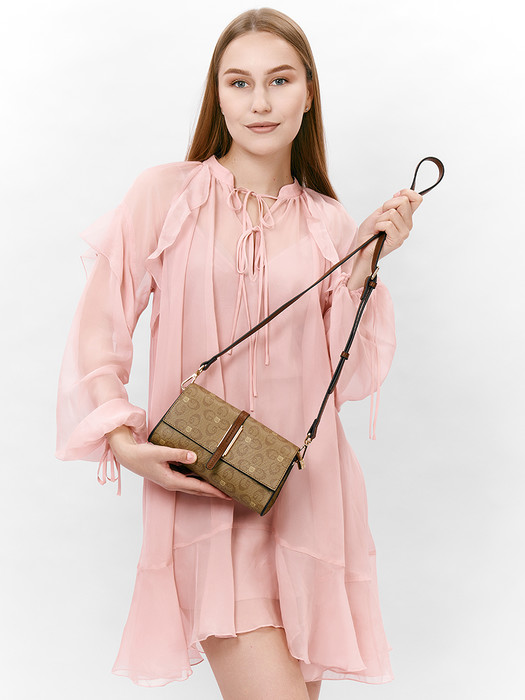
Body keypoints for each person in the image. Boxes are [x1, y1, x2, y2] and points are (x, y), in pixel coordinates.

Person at [56, 7, 422, 699]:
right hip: (207, 497)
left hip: (307, 497)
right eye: (239, 82)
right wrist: (124, 440)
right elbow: (98, 331)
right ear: (217, 95)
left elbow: (348, 377)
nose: (259, 102)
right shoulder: (165, 196)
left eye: (279, 80)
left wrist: (361, 264)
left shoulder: (329, 222)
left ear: (308, 93)